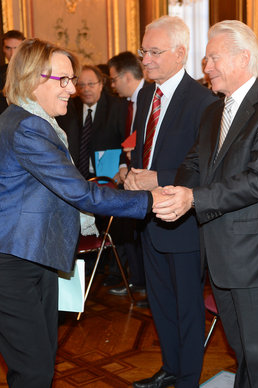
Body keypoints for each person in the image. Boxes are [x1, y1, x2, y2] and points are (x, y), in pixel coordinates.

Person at [0, 38, 165, 388]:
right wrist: (151, 201)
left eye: (73, 79)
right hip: (14, 262)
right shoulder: (28, 126)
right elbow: (78, 193)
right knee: (33, 370)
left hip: (31, 255)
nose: (73, 89)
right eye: (63, 79)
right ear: (32, 78)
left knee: (39, 364)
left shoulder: (32, 121)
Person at [152, 20, 258, 388]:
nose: (207, 67)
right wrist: (175, 192)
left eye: (213, 58)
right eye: (205, 60)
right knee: (241, 349)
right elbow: (194, 164)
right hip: (217, 252)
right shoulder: (214, 110)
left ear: (244, 58)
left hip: (256, 256)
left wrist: (193, 198)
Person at [124, 16, 217, 388]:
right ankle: (170, 368)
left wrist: (158, 178)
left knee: (187, 307)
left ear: (180, 54)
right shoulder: (147, 94)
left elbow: (206, 167)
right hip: (148, 216)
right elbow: (146, 147)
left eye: (154, 52)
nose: (145, 60)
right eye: (143, 51)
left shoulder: (204, 101)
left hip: (183, 220)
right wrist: (131, 172)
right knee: (160, 302)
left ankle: (188, 379)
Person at [107, 51, 149, 300]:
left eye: (113, 79)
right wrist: (123, 165)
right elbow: (128, 142)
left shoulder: (149, 96)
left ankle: (145, 284)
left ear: (125, 76)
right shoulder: (128, 103)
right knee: (130, 233)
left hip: (147, 178)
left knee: (140, 234)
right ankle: (138, 281)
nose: (112, 85)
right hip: (130, 175)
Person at [56, 64, 127, 180]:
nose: (86, 89)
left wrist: (123, 166)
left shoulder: (116, 107)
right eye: (81, 85)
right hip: (76, 176)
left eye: (91, 84)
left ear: (101, 84)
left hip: (109, 176)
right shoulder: (69, 107)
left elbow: (125, 141)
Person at [0, 30, 25, 113]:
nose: (12, 53)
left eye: (16, 48)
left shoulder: (34, 71)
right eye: (8, 48)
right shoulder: (1, 72)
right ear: (3, 49)